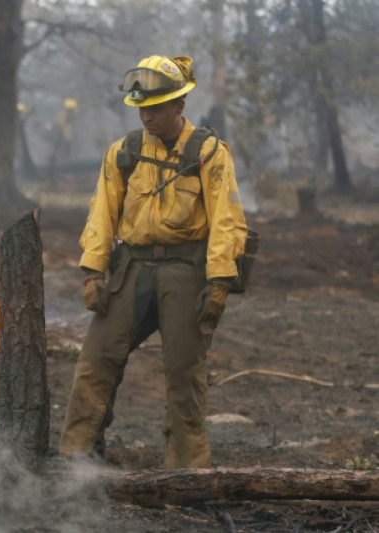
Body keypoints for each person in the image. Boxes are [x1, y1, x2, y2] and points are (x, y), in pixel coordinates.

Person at [57, 55, 248, 468]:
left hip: (185, 271)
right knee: (96, 361)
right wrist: (93, 272)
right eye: (141, 108)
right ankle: (77, 460)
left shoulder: (209, 154)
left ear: (179, 106)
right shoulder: (122, 153)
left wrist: (218, 284)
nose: (147, 117)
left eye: (156, 108)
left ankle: (186, 469)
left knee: (183, 373)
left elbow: (227, 222)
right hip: (132, 269)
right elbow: (101, 215)